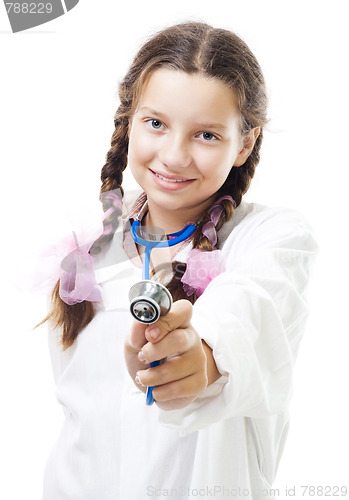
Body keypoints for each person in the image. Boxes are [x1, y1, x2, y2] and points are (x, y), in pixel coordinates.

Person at [41, 21, 318, 500]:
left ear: (245, 144)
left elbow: (248, 315)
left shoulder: (274, 239)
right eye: (155, 123)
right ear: (129, 120)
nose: (173, 156)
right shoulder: (85, 237)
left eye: (206, 135)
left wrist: (203, 360)